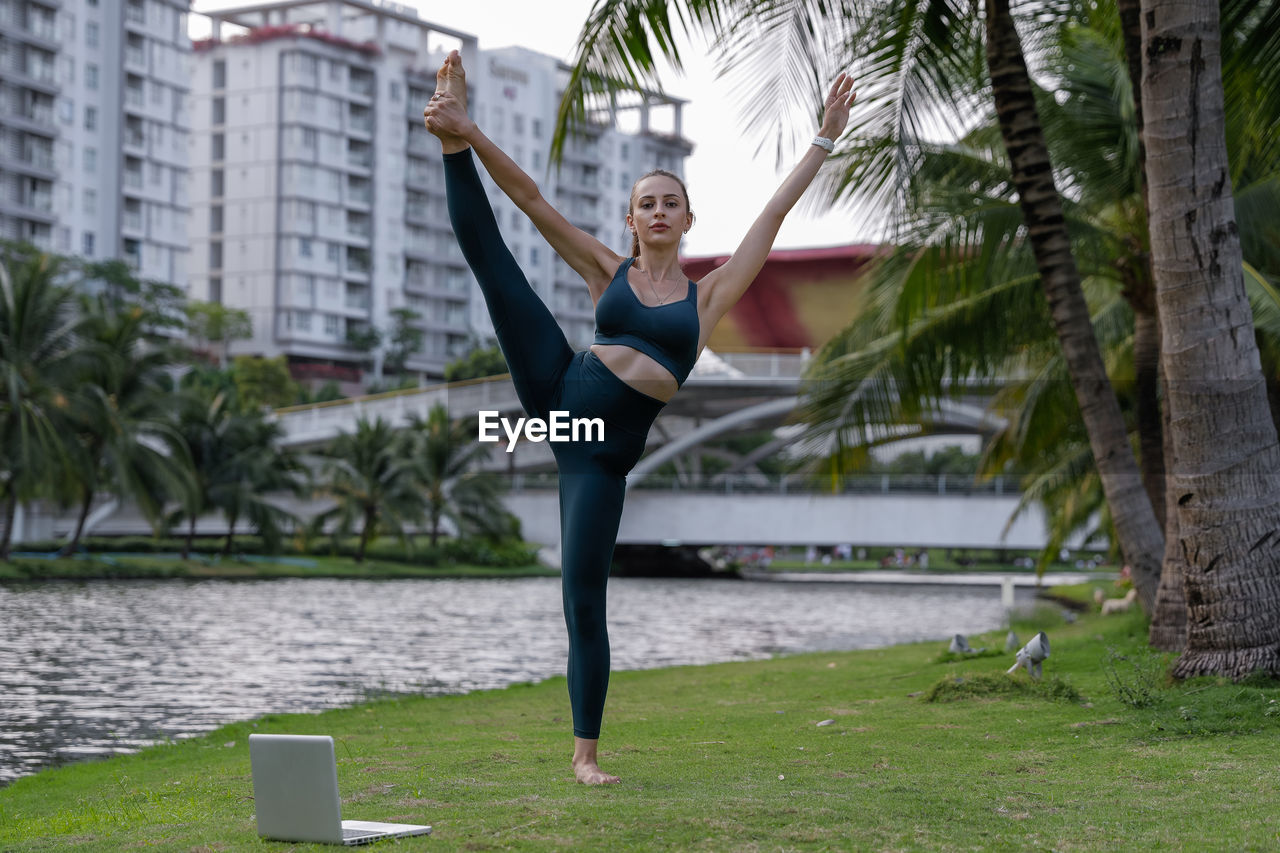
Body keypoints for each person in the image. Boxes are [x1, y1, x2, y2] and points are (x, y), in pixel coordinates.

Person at [423, 49, 855, 785]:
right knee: (494, 262)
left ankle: (585, 755)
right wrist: (473, 131)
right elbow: (529, 199)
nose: (658, 210)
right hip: (559, 386)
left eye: (670, 202)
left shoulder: (709, 296)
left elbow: (773, 215)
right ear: (630, 219)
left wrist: (823, 139)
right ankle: (450, 135)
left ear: (688, 219)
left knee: (583, 595)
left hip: (593, 450)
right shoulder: (605, 268)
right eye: (646, 202)